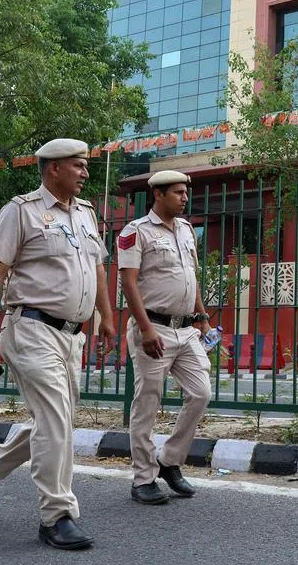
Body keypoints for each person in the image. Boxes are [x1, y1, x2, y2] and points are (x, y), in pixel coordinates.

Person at [0, 138, 117, 551]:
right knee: (55, 418)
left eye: (86, 166)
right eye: (78, 165)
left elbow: (97, 270)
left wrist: (106, 318)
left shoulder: (86, 214)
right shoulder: (20, 211)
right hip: (31, 329)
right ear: (53, 169)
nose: (85, 172)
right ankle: (57, 515)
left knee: (57, 421)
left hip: (71, 335)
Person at [117, 169, 213, 505]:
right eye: (177, 192)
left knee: (201, 393)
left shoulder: (187, 230)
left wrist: (201, 317)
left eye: (185, 193)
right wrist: (145, 329)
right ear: (157, 194)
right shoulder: (136, 232)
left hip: (185, 329)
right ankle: (143, 479)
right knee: (148, 401)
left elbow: (192, 276)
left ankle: (169, 461)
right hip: (153, 327)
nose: (184, 198)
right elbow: (129, 283)